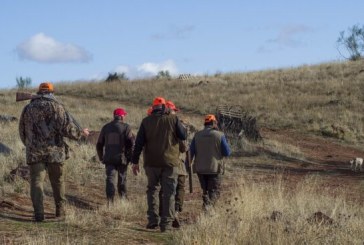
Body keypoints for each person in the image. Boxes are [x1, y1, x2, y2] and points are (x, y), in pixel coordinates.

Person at [19, 82, 89, 222]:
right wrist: (82, 134)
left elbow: (22, 131)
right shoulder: (58, 107)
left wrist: (30, 145)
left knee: (37, 182)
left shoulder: (27, 108)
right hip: (55, 152)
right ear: (52, 92)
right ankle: (60, 212)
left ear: (39, 92)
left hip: (35, 152)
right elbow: (67, 129)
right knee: (57, 181)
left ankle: (39, 214)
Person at [132, 97, 187, 232]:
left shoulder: (146, 121)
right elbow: (183, 135)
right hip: (170, 163)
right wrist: (175, 119)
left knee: (152, 190)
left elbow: (138, 143)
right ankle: (166, 224)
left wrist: (134, 162)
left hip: (151, 163)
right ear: (164, 108)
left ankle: (152, 220)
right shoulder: (173, 120)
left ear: (153, 108)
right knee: (169, 193)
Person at [189, 114, 231, 210]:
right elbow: (227, 153)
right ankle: (209, 210)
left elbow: (190, 153)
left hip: (200, 169)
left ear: (205, 123)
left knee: (205, 191)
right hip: (214, 169)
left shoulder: (197, 135)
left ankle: (206, 208)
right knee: (214, 191)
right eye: (216, 122)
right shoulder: (220, 135)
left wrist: (187, 166)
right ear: (213, 123)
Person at [158, 100, 188, 228]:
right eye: (175, 111)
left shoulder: (158, 124)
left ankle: (163, 214)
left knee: (164, 190)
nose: (176, 113)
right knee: (179, 189)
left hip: (161, 163)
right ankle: (175, 212)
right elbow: (183, 147)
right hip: (178, 164)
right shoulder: (177, 125)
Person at [96, 108, 135, 204]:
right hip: (122, 158)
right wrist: (131, 157)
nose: (124, 117)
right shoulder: (126, 127)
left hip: (109, 158)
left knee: (110, 179)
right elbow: (132, 143)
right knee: (122, 179)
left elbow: (99, 144)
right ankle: (123, 201)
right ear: (121, 116)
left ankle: (110, 202)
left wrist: (101, 157)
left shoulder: (106, 127)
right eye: (124, 115)